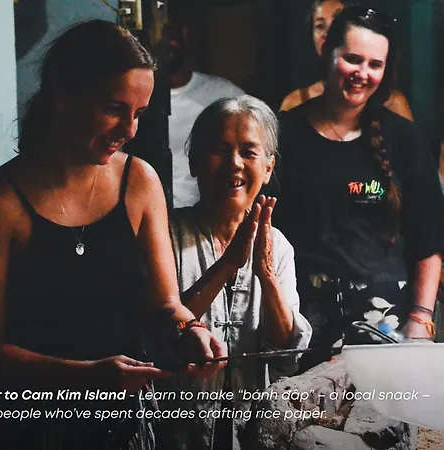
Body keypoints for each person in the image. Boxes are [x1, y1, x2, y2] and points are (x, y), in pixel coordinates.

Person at [0, 20, 227, 450]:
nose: (130, 130)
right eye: (115, 108)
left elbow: (166, 305)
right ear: (64, 94)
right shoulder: (4, 201)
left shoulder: (139, 182)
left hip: (125, 428)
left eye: (139, 113)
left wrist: (190, 329)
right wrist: (85, 377)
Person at [276, 5, 444, 370]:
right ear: (327, 52)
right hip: (302, 323)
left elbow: (428, 243)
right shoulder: (284, 133)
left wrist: (420, 320)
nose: (362, 74)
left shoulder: (403, 138)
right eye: (352, 59)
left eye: (374, 64)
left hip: (388, 325)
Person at [156, 95, 312, 450]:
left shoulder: (278, 246)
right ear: (194, 161)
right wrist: (228, 264)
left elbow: (286, 355)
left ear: (268, 168)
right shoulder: (165, 234)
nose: (234, 164)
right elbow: (160, 331)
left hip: (254, 432)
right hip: (178, 430)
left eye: (249, 152)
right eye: (219, 150)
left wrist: (266, 274)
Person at [279, 0, 414, 121]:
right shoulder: (295, 102)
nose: (327, 33)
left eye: (336, 22)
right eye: (320, 26)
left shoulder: (394, 106)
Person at [165, 7, 245, 209]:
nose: (162, 44)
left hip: (209, 218)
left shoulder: (224, 95)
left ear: (185, 34)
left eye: (169, 33)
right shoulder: (132, 99)